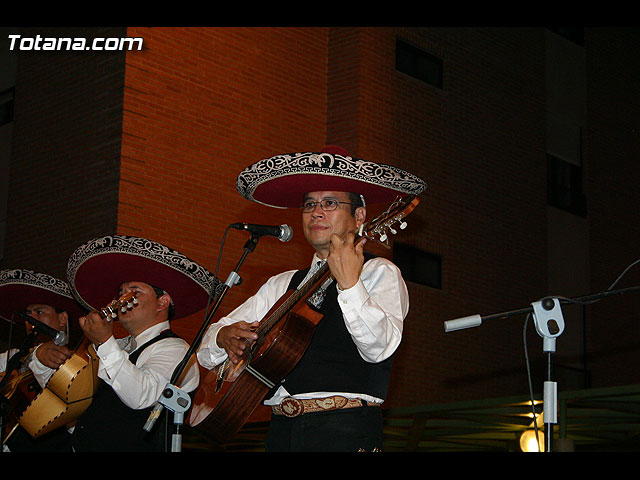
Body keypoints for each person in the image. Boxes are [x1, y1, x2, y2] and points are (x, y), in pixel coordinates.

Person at [197, 146, 427, 451]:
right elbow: (205, 348)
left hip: (344, 428)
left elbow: (380, 348)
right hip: (281, 430)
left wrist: (349, 284)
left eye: (330, 203)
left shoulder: (379, 272)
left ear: (359, 216)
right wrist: (224, 336)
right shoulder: (282, 284)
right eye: (308, 205)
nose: (316, 212)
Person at [63, 234, 221, 452]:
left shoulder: (176, 350)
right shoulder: (117, 346)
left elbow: (142, 396)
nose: (122, 299)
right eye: (121, 293)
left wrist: (105, 341)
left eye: (134, 291)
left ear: (162, 303)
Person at [0, 268, 87, 452]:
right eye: (28, 313)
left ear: (62, 318)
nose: (30, 319)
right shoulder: (12, 357)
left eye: (39, 312)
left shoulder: (75, 362)